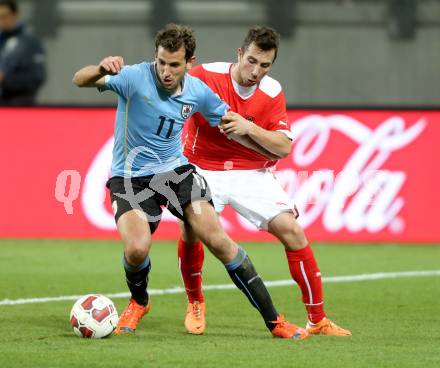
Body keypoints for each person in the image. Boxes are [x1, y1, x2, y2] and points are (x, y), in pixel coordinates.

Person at [72, 23, 308, 340]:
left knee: (219, 241)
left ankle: (275, 321)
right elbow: (80, 80)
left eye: (174, 64)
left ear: (189, 63)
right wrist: (100, 68)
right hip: (131, 179)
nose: (166, 72)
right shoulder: (133, 77)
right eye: (162, 62)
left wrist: (266, 151)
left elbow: (233, 128)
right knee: (137, 250)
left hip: (177, 174)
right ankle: (139, 302)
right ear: (155, 58)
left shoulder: (198, 92)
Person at [178, 26, 351, 336]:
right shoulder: (206, 75)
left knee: (292, 231)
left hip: (251, 171)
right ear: (240, 54)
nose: (256, 71)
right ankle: (195, 303)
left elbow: (284, 147)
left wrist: (248, 127)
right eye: (252, 61)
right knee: (191, 229)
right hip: (201, 167)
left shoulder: (271, 92)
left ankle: (318, 319)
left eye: (265, 65)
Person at [0, 0, 46, 106]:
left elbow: (38, 77)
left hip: (21, 106)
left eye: (4, 16)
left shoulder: (30, 41)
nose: (1, 21)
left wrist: (5, 79)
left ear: (15, 14)